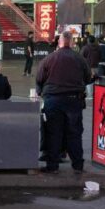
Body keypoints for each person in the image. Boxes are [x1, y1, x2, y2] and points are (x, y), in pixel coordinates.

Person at [35, 31, 91, 174]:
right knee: (74, 133)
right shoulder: (79, 59)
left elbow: (39, 79)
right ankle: (77, 165)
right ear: (72, 42)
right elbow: (88, 77)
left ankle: (52, 166)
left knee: (53, 133)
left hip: (53, 100)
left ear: (59, 42)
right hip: (73, 100)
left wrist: (41, 92)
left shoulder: (49, 58)